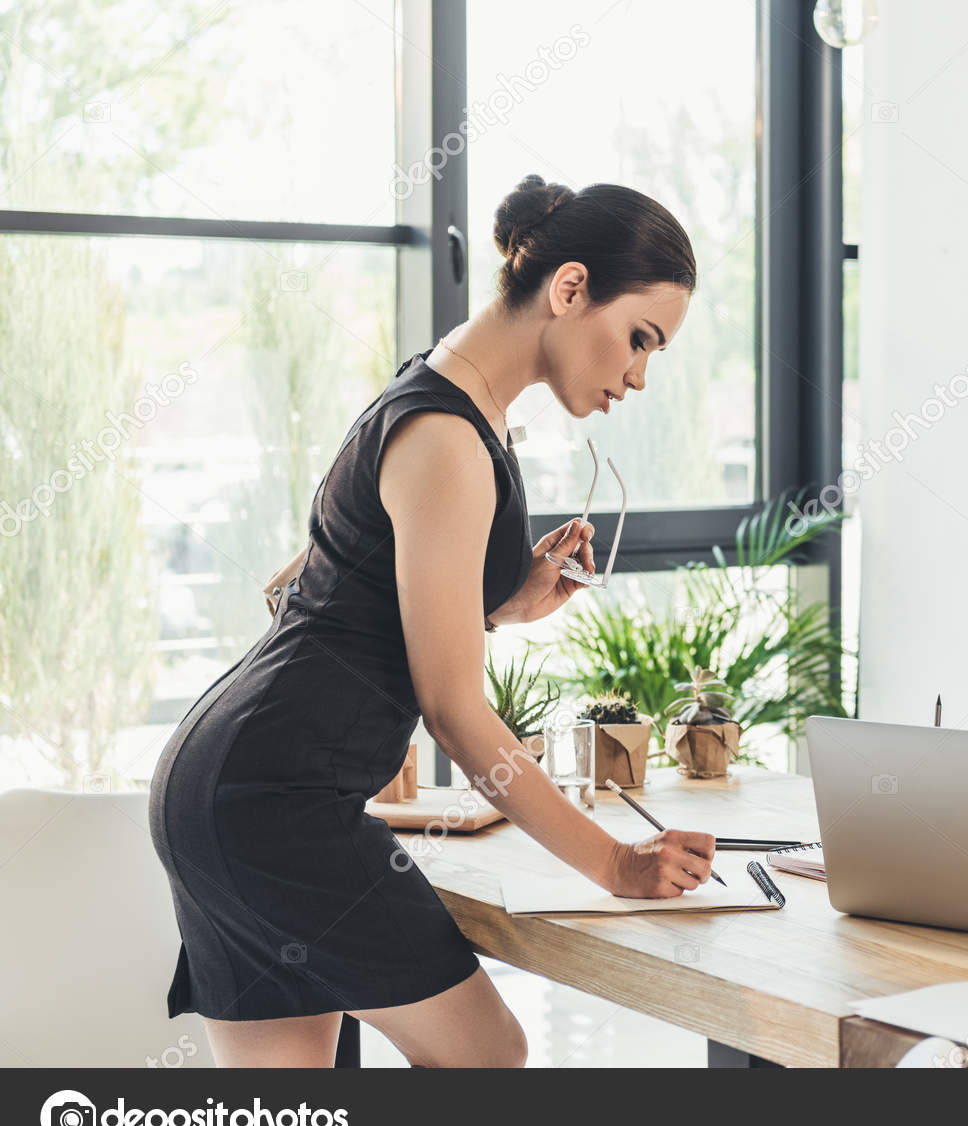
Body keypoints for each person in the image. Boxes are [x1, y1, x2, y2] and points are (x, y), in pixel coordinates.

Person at [149, 175, 711, 1068]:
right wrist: (615, 864)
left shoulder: (438, 398)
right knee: (487, 1057)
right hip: (279, 803)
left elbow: (318, 588)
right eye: (639, 337)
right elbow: (455, 713)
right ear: (570, 290)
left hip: (217, 786)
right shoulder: (451, 436)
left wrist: (498, 604)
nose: (639, 374)